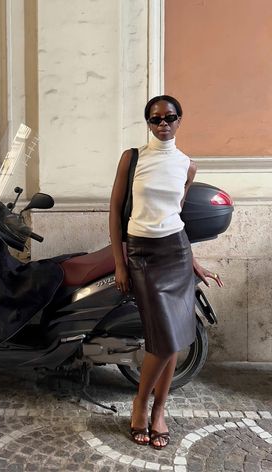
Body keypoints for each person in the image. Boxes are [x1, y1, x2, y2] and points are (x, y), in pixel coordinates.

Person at [109, 95, 223, 449]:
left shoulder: (188, 165)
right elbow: (115, 211)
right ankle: (142, 404)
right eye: (156, 119)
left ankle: (157, 410)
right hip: (142, 255)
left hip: (175, 252)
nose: (163, 124)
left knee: (172, 337)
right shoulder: (133, 158)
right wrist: (119, 261)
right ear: (147, 122)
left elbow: (177, 214)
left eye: (169, 117)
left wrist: (192, 261)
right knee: (164, 338)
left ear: (179, 120)